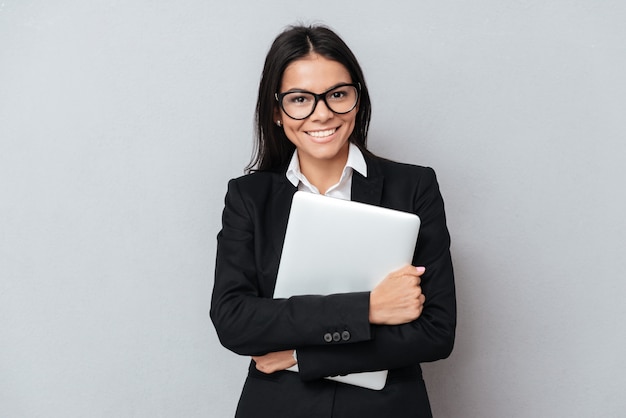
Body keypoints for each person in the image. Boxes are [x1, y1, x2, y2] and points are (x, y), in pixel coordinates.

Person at [210, 24, 456, 418]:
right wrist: (369, 308)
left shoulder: (413, 186)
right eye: (300, 99)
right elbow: (234, 320)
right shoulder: (249, 197)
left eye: (337, 95)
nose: (321, 113)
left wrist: (301, 355)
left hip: (388, 408)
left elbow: (435, 332)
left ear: (357, 100)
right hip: (278, 407)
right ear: (276, 111)